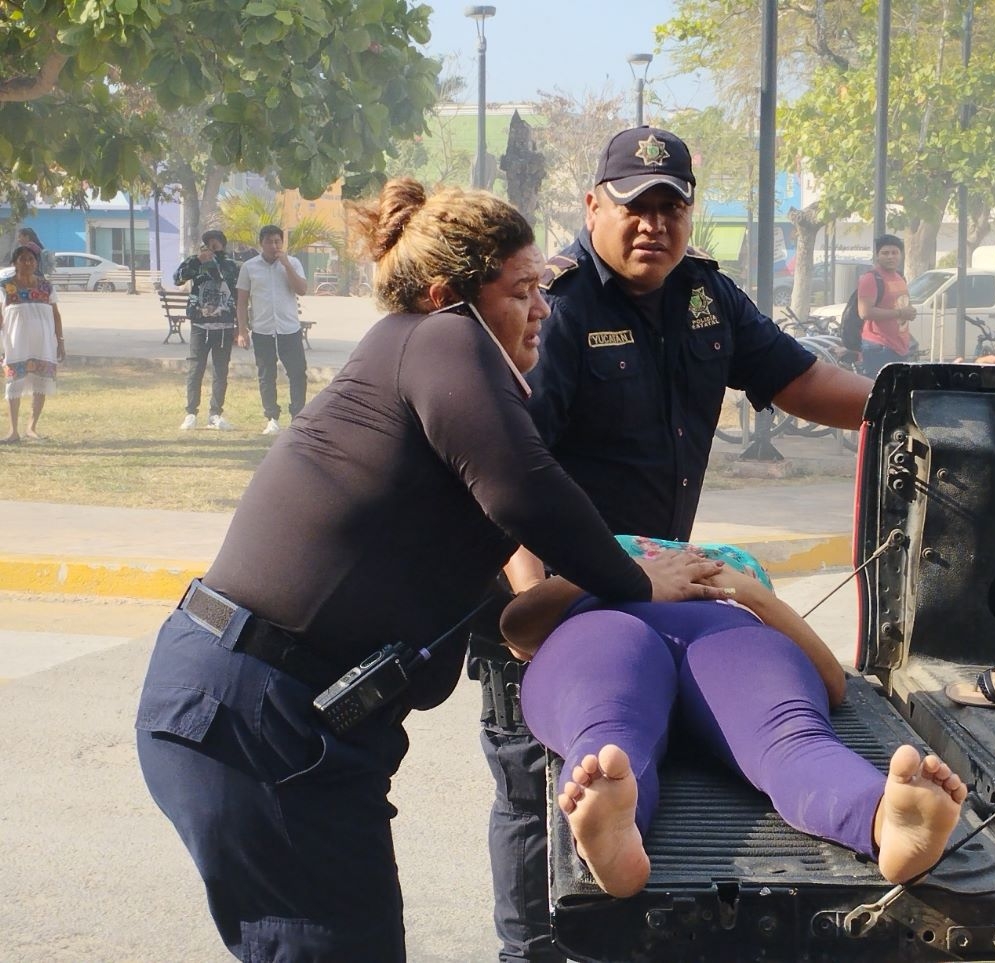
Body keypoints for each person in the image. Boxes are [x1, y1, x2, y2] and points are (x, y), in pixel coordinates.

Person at [135, 180, 726, 963]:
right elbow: (527, 490)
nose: (543, 310)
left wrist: (574, 605)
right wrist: (639, 579)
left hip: (283, 719)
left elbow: (477, 582)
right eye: (521, 290)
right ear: (453, 294)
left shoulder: (422, 365)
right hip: (254, 715)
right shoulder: (437, 337)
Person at [472, 125, 877, 963]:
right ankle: (530, 953)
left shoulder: (706, 299)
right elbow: (516, 473)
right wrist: (528, 606)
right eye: (634, 206)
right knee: (533, 784)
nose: (653, 224)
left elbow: (799, 380)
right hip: (559, 586)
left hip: (667, 589)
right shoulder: (561, 304)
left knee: (673, 751)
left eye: (671, 206)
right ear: (593, 206)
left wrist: (909, 403)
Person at [503, 538, 967, 900]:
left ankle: (883, 819)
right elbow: (517, 628)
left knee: (791, 735)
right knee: (607, 732)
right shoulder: (580, 551)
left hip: (726, 627)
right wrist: (610, 571)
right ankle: (607, 844)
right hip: (604, 622)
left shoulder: (733, 562)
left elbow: (833, 684)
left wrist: (750, 594)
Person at [235, 224, 308, 435]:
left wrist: (287, 266)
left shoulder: (292, 263)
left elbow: (302, 290)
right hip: (263, 330)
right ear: (261, 243)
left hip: (289, 329)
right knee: (266, 375)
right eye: (269, 241)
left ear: (282, 243)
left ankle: (297, 416)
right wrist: (242, 331)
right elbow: (241, 302)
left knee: (297, 373)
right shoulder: (249, 267)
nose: (274, 245)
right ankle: (272, 418)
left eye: (277, 241)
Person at [175, 230, 241, 430]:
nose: (213, 247)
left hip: (224, 326)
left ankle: (215, 414)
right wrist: (197, 261)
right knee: (196, 370)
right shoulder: (195, 263)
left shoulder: (231, 265)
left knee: (221, 372)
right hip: (199, 325)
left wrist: (240, 326)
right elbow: (177, 278)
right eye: (209, 243)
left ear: (223, 244)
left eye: (216, 243)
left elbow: (238, 294)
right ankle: (190, 413)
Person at [1, 245, 65, 443]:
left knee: (41, 383)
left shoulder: (46, 287)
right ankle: (13, 431)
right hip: (15, 343)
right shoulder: (5, 287)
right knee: (14, 384)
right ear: (15, 263)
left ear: (36, 262)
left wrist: (60, 341)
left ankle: (32, 427)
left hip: (43, 344)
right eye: (22, 259)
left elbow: (56, 315)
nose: (27, 263)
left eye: (31, 259)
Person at [857, 234, 917, 377]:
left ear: (901, 255)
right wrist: (901, 313)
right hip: (878, 347)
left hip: (900, 346)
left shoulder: (900, 277)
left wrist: (909, 312)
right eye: (885, 253)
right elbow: (865, 312)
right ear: (877, 256)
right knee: (880, 394)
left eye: (894, 252)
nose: (890, 256)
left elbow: (900, 304)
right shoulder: (870, 278)